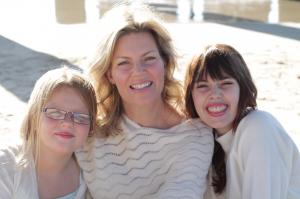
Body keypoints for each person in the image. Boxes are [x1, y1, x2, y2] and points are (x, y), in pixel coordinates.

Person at [75, 4, 214, 199]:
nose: (138, 71)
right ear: (110, 74)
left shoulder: (195, 136)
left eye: (148, 59)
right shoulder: (88, 134)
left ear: (165, 64)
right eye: (124, 63)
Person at [184, 43, 300, 199]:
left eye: (226, 83)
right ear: (191, 96)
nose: (214, 94)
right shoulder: (204, 143)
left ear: (243, 89)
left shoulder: (258, 127)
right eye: (203, 86)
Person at [0, 67, 97, 199]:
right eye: (55, 113)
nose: (67, 122)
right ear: (34, 115)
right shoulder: (5, 166)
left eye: (80, 116)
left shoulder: (91, 170)